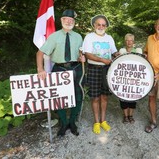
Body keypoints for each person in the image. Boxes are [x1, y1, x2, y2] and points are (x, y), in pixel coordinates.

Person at [36, 9, 85, 137]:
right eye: (66, 19)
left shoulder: (78, 36)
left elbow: (81, 54)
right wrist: (40, 69)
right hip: (60, 69)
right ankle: (63, 123)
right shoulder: (54, 36)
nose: (69, 22)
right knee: (59, 98)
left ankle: (72, 122)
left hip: (76, 69)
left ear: (74, 22)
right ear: (62, 20)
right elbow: (40, 53)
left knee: (78, 96)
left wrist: (82, 58)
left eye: (71, 20)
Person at [82, 15, 119, 134]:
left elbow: (114, 52)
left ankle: (103, 120)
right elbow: (87, 54)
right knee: (95, 97)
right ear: (94, 25)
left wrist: (122, 56)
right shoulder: (89, 37)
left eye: (103, 25)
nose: (101, 26)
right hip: (93, 69)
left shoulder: (109, 38)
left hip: (107, 69)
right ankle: (96, 122)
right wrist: (102, 60)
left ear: (106, 27)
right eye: (99, 24)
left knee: (104, 96)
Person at [119, 33, 143, 124]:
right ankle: (125, 116)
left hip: (134, 78)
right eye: (127, 40)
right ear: (125, 41)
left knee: (133, 98)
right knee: (123, 97)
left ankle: (131, 115)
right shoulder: (122, 50)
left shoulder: (137, 50)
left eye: (131, 40)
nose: (129, 42)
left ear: (133, 41)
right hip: (123, 78)